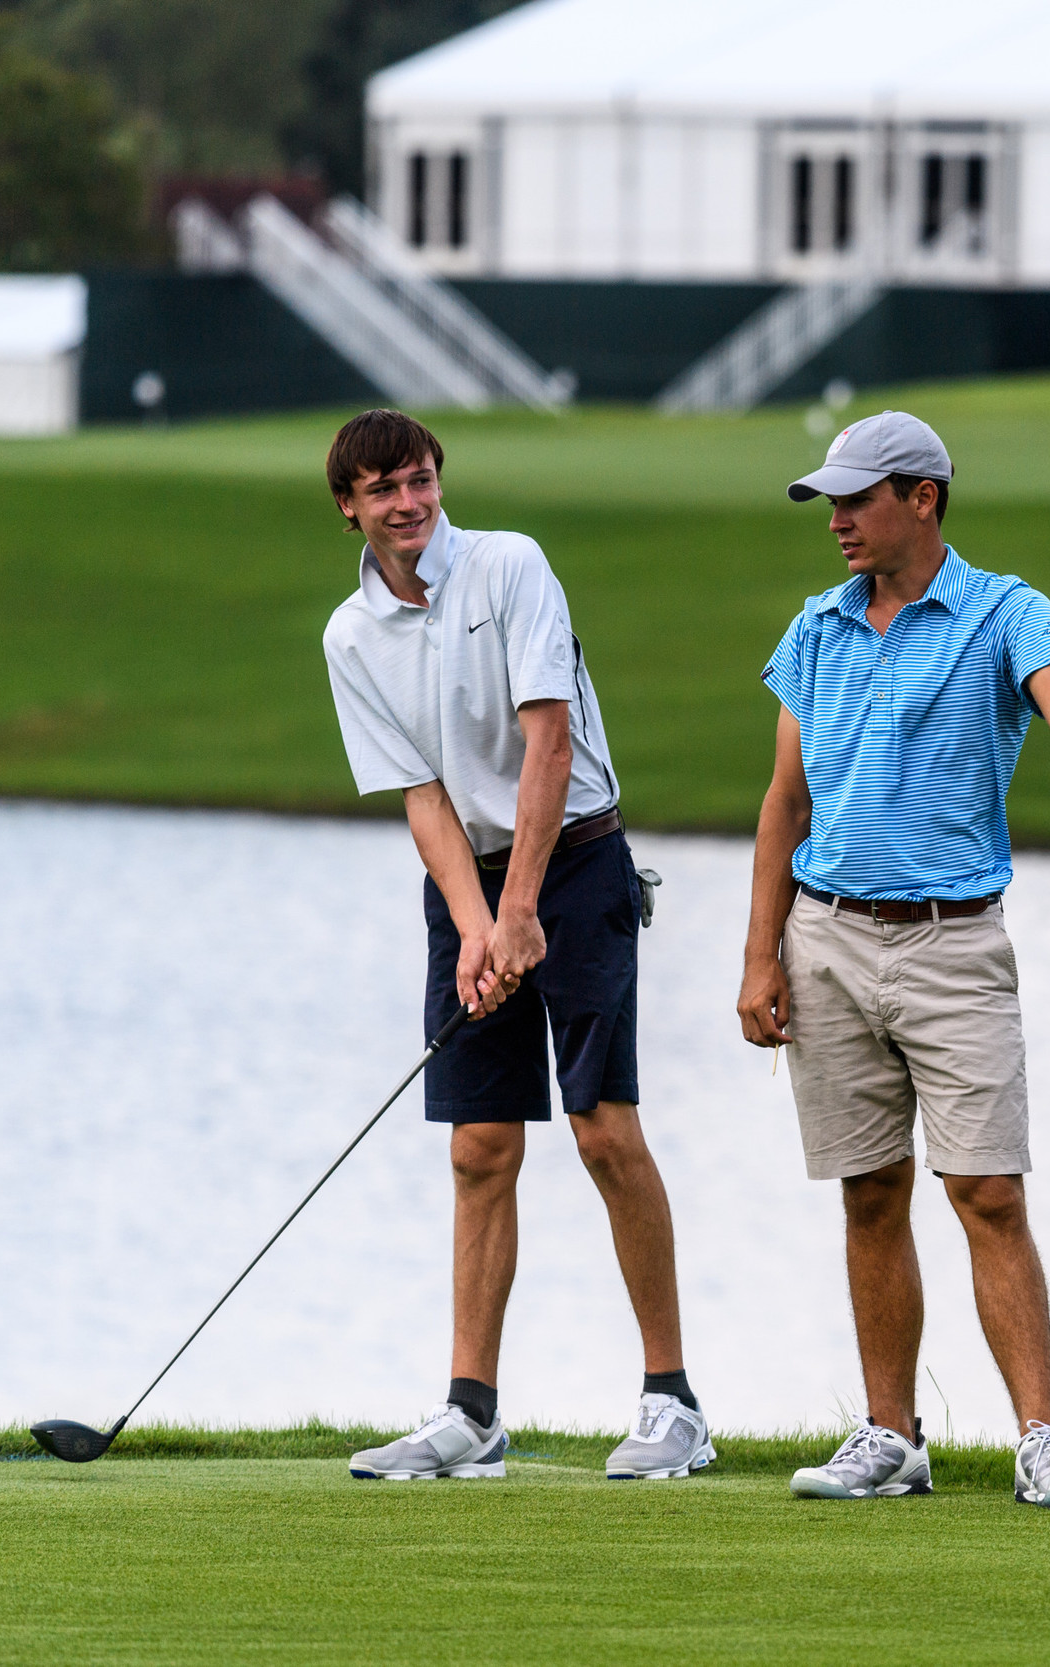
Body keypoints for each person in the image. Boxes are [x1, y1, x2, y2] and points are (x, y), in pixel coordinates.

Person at [737, 410, 1050, 1507]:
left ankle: (1041, 1437)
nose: (836, 522)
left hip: (949, 941)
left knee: (986, 1189)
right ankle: (890, 1434)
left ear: (923, 497)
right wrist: (757, 960)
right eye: (829, 502)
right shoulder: (816, 627)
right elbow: (784, 805)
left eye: (856, 500)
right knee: (868, 1191)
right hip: (822, 936)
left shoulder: (1006, 609)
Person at [318, 409, 709, 1483]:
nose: (407, 501)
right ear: (348, 506)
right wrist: (475, 921)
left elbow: (550, 737)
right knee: (479, 1145)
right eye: (382, 487)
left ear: (439, 480)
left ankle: (672, 1400)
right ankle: (472, 1414)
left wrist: (523, 905)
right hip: (469, 883)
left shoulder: (509, 567)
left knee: (601, 1126)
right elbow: (422, 793)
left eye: (419, 478)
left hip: (576, 863)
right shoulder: (350, 636)